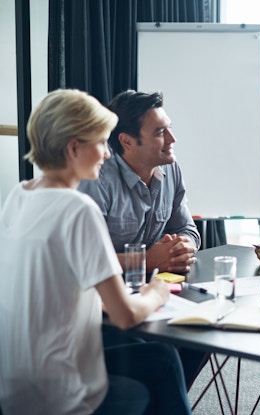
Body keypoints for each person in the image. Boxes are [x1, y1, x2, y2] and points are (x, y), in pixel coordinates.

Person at [0, 89, 192, 415]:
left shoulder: (19, 195)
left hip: (15, 384)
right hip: (61, 393)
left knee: (158, 359)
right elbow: (126, 314)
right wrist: (157, 291)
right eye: (102, 143)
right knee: (162, 359)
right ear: (74, 148)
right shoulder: (78, 208)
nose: (106, 154)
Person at [78, 89, 207, 387]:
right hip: (102, 304)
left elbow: (188, 229)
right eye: (161, 132)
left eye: (169, 129)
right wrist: (149, 259)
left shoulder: (170, 167)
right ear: (126, 141)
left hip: (155, 291)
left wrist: (183, 246)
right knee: (161, 356)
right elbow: (84, 261)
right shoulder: (96, 180)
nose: (172, 140)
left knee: (203, 334)